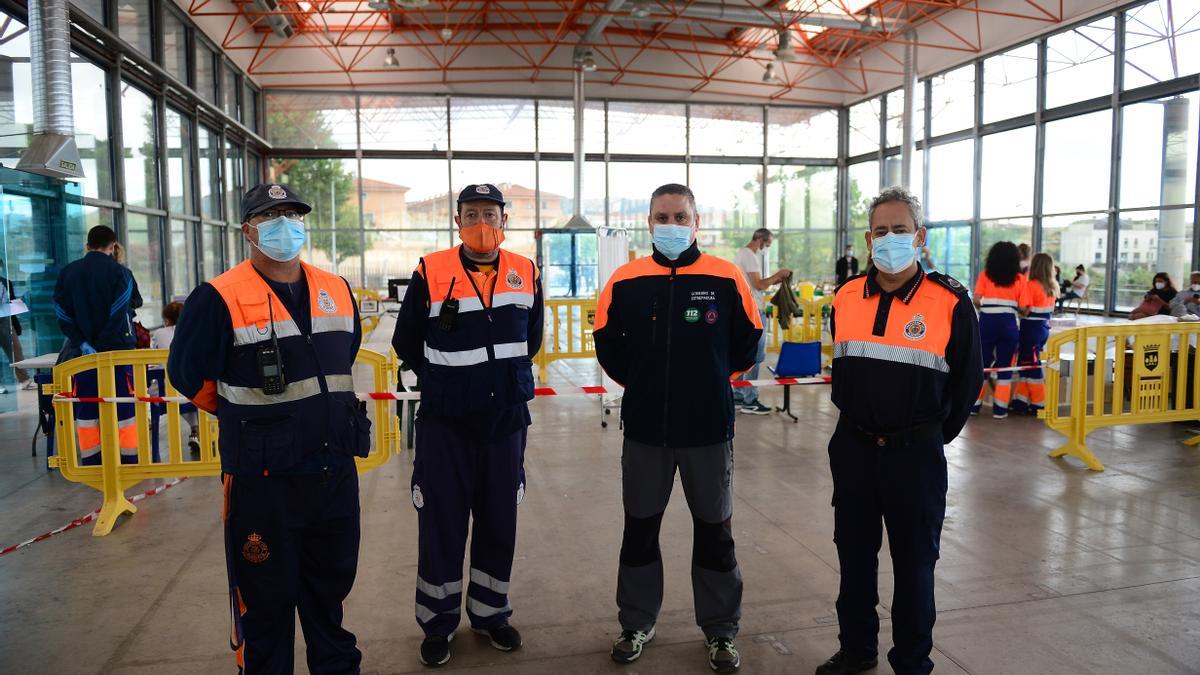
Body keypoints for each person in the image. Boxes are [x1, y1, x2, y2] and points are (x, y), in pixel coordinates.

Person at [167, 183, 367, 674]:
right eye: (271, 215)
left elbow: (340, 361)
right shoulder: (217, 297)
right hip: (263, 481)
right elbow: (187, 375)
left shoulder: (336, 289)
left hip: (333, 471)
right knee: (266, 605)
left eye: (292, 213)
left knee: (329, 596)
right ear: (248, 230)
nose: (285, 224)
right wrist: (249, 416)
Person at [594, 183, 762, 673]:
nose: (671, 225)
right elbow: (609, 348)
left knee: (715, 532)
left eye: (679, 216)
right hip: (645, 430)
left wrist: (709, 381)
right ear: (648, 224)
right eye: (661, 217)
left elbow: (747, 343)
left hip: (708, 429)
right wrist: (645, 385)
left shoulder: (726, 276)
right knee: (640, 530)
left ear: (697, 221)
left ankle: (721, 630)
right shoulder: (625, 280)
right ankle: (636, 621)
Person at [817, 186, 981, 675]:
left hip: (915, 454)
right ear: (869, 238)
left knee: (914, 567)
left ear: (921, 237)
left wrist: (926, 434)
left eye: (901, 229)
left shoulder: (949, 302)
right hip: (854, 447)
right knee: (853, 559)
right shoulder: (845, 297)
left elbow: (967, 384)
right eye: (882, 231)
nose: (891, 238)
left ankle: (912, 661)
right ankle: (857, 649)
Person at [391, 183, 543, 668]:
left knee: (501, 522)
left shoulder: (526, 271)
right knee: (442, 524)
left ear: (505, 219)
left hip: (505, 424)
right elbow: (406, 340)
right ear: (457, 220)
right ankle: (437, 624)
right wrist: (447, 382)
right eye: (472, 213)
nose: (482, 221)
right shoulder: (431, 271)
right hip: (446, 426)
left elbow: (532, 339)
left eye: (490, 213)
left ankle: (490, 613)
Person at [53, 225, 141, 465]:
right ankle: (128, 460)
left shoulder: (68, 273)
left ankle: (92, 461)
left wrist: (82, 341)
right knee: (123, 405)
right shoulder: (119, 272)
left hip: (83, 355)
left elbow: (61, 312)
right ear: (112, 246)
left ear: (87, 245)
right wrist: (103, 343)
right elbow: (120, 309)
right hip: (117, 352)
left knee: (87, 406)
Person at [731, 228, 791, 415]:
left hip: (742, 309)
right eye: (768, 245)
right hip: (754, 311)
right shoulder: (749, 255)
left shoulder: (741, 254)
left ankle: (739, 394)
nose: (766, 249)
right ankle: (751, 398)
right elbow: (759, 284)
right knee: (755, 356)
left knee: (744, 352)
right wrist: (778, 275)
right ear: (760, 240)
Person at [972, 241, 1024, 419]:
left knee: (981, 364)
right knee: (1005, 366)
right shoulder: (1019, 279)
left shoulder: (985, 275)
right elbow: (1024, 306)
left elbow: (976, 299)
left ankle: (974, 406)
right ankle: (1000, 410)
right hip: (1009, 324)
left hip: (986, 322)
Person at [1010, 253, 1057, 415]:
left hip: (1030, 329)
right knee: (1026, 364)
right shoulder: (1053, 287)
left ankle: (1039, 403)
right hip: (1043, 329)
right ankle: (1020, 401)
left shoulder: (1031, 285)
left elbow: (1024, 309)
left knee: (1032, 366)